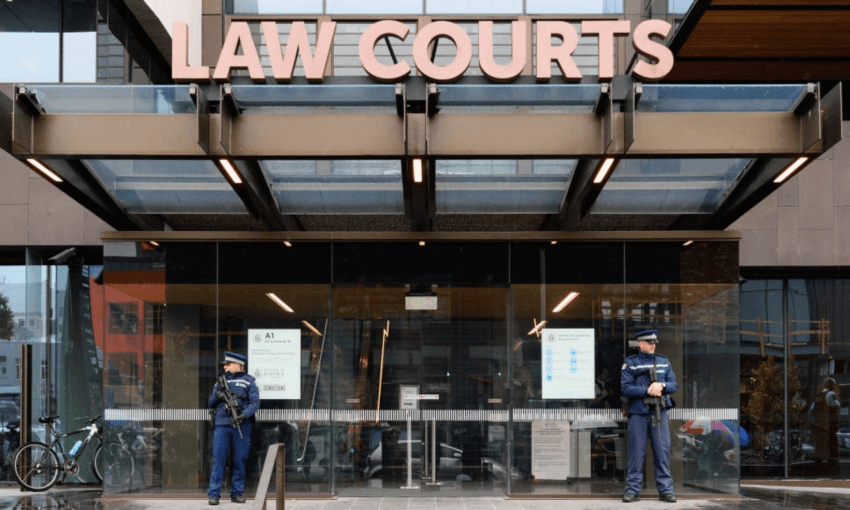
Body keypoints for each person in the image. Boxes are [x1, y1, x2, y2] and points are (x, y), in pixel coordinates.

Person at [620, 329, 678, 503]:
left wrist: (661, 385)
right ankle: (632, 491)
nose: (652, 345)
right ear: (640, 344)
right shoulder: (630, 363)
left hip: (659, 413)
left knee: (662, 452)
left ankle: (666, 491)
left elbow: (673, 385)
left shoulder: (663, 361)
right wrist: (647, 391)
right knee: (636, 454)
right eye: (648, 343)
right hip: (638, 413)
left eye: (654, 343)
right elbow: (625, 388)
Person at [207, 351, 260, 505]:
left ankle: (237, 493)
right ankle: (214, 494)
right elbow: (210, 402)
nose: (225, 367)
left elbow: (255, 403)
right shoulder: (220, 382)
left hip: (242, 425)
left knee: (240, 460)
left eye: (228, 364)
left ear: (238, 365)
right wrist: (218, 396)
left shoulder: (249, 381)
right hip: (222, 425)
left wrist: (243, 415)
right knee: (218, 460)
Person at [812, 376, 841, 471]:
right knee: (832, 448)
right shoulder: (831, 394)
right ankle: (832, 469)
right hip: (829, 427)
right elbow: (836, 407)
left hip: (818, 427)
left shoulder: (819, 395)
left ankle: (818, 469)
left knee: (819, 450)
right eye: (834, 384)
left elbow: (812, 411)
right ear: (832, 385)